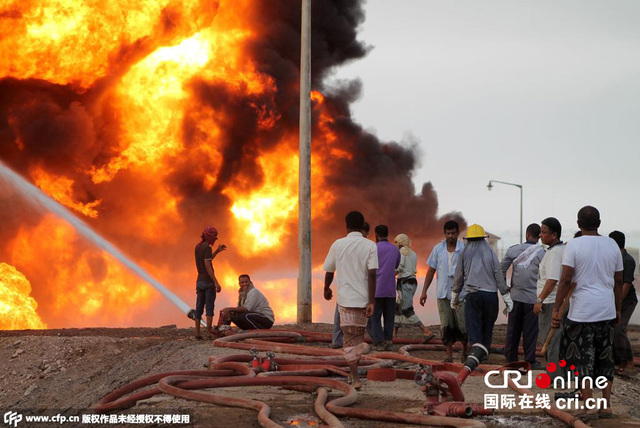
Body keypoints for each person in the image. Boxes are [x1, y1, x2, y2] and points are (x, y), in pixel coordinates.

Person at [552, 206, 623, 419]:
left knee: (583, 359)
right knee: (605, 358)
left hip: (582, 313)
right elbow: (618, 280)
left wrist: (556, 308)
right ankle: (606, 405)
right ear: (599, 223)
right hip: (606, 309)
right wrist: (618, 307)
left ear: (578, 224)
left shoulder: (573, 245)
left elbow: (565, 279)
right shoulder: (612, 245)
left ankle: (589, 405)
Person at [323, 211, 378, 389]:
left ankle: (354, 377)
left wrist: (326, 288)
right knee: (358, 339)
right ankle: (354, 375)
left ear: (346, 226)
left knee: (348, 340)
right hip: (362, 300)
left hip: (345, 300)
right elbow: (372, 274)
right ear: (363, 226)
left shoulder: (338, 244)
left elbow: (329, 270)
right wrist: (372, 301)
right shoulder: (370, 245)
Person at [451, 224, 513, 365]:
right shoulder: (490, 253)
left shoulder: (464, 253)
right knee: (487, 327)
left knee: (474, 327)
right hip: (491, 297)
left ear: (468, 239)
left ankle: (475, 359)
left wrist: (454, 296)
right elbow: (498, 274)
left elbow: (459, 277)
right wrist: (506, 296)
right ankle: (484, 356)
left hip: (473, 296)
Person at [420, 220, 467, 362]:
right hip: (443, 293)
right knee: (446, 324)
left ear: (458, 233)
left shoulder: (464, 249)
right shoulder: (438, 249)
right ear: (444, 233)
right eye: (448, 233)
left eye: (453, 233)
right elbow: (430, 270)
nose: (450, 236)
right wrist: (424, 291)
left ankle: (465, 351)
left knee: (463, 324)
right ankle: (449, 355)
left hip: (460, 294)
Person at [501, 223, 545, 369]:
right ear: (539, 235)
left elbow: (501, 269)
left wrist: (504, 288)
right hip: (533, 298)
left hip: (515, 296)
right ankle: (530, 360)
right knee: (531, 331)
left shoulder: (514, 250)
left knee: (513, 329)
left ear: (527, 234)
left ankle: (511, 358)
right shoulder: (542, 253)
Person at [533, 217, 565, 376]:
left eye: (544, 232)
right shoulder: (555, 251)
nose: (540, 235)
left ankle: (555, 375)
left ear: (554, 235)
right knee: (551, 339)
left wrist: (540, 300)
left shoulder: (555, 254)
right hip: (551, 300)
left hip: (550, 301)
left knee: (550, 340)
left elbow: (552, 280)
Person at [332, 222, 371, 349]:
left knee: (350, 317)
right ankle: (341, 341)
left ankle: (342, 341)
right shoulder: (368, 246)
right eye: (365, 232)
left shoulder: (342, 244)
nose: (366, 235)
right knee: (344, 317)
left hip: (352, 289)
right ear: (362, 230)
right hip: (353, 288)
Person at [393, 233, 434, 341]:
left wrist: (387, 274)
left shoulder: (401, 253)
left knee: (406, 309)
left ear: (401, 242)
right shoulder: (413, 254)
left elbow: (398, 268)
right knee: (397, 308)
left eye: (396, 242)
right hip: (412, 281)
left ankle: (426, 330)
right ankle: (394, 335)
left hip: (404, 282)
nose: (395, 244)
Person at [366, 225, 400, 351]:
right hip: (390, 289)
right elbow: (396, 265)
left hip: (376, 289)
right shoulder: (395, 250)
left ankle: (378, 341)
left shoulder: (373, 248)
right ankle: (388, 341)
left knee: (375, 316)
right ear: (387, 234)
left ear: (376, 235)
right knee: (389, 316)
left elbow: (369, 268)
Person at [609, 230, 637, 376]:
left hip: (627, 300)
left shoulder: (627, 260)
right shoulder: (614, 258)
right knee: (614, 330)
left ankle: (627, 361)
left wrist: (617, 303)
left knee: (620, 329)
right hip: (616, 300)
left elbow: (625, 284)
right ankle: (617, 361)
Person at [193, 226, 225, 340]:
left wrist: (217, 251)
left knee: (199, 308)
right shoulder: (207, 247)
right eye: (214, 236)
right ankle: (208, 333)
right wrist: (216, 282)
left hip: (199, 281)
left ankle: (197, 333)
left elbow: (207, 259)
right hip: (207, 282)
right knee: (209, 308)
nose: (216, 238)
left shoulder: (198, 247)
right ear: (209, 236)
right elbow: (208, 265)